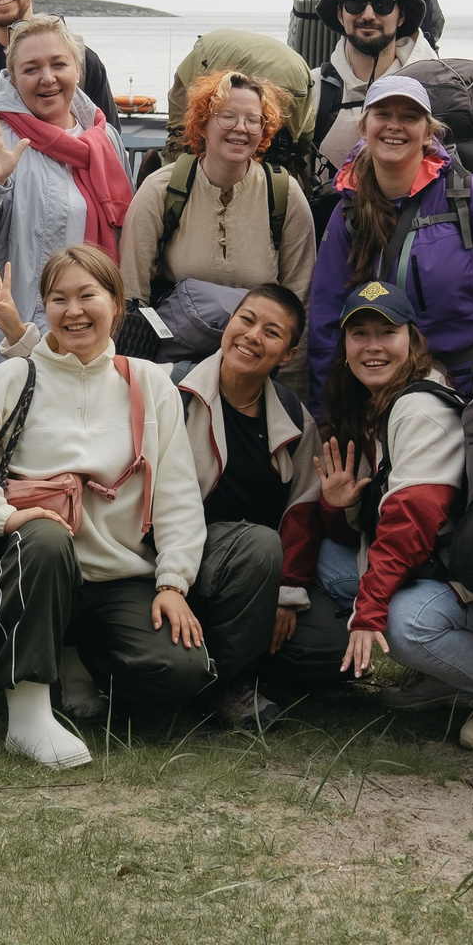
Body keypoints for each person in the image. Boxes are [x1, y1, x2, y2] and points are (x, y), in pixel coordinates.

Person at [0, 245, 279, 768]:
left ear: (116, 303)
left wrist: (173, 583)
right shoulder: (16, 377)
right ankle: (28, 713)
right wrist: (3, 514)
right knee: (44, 535)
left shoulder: (149, 382)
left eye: (88, 296)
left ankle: (82, 660)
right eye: (58, 299)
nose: (74, 311)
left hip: (118, 580)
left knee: (180, 671)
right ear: (45, 307)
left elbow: (176, 494)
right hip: (33, 577)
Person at [286, 281, 473, 750]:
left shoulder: (419, 408)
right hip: (445, 570)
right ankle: (448, 675)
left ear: (412, 339)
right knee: (328, 561)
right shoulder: (377, 405)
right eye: (360, 333)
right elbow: (374, 529)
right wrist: (339, 508)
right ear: (345, 346)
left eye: (388, 332)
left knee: (402, 625)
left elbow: (411, 522)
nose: (374, 346)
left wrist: (368, 613)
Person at [303, 74, 473, 402]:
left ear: (427, 134)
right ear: (364, 128)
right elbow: (327, 314)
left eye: (409, 117)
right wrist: (325, 410)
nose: (394, 126)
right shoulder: (348, 211)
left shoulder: (471, 196)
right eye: (382, 114)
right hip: (384, 394)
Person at [0, 16, 133, 406]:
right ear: (12, 77)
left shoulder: (103, 137)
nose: (48, 78)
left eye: (59, 64)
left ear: (78, 69)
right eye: (31, 68)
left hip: (88, 336)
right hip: (9, 346)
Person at [172, 284, 336, 723]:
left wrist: (287, 592)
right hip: (174, 553)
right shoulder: (174, 388)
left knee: (327, 645)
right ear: (230, 322)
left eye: (272, 332)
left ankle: (222, 661)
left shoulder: (292, 415)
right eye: (246, 320)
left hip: (253, 570)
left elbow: (303, 507)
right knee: (260, 544)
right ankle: (226, 682)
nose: (252, 336)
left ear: (288, 354)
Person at [118, 69, 316, 339]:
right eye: (227, 116)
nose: (241, 128)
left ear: (264, 130)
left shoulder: (285, 195)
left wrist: (291, 367)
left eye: (253, 120)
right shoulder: (161, 190)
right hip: (177, 354)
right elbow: (132, 295)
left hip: (255, 354)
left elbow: (299, 302)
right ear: (203, 123)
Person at [301, 0, 438, 195]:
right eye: (355, 4)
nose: (368, 15)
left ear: (401, 15)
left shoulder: (433, 87)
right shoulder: (312, 89)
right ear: (340, 13)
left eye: (383, 5)